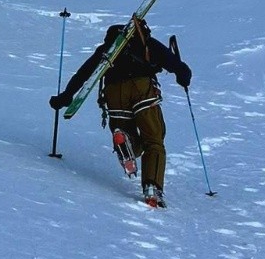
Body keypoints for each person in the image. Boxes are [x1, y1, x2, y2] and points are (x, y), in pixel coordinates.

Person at [49, 17, 191, 207]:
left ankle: (126, 142)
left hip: (114, 94)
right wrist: (183, 75)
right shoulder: (145, 41)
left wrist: (66, 96)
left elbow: (84, 74)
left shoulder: (108, 48)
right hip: (142, 90)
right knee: (154, 138)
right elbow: (175, 64)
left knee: (129, 137)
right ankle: (152, 188)